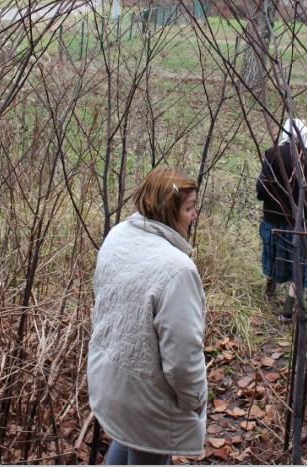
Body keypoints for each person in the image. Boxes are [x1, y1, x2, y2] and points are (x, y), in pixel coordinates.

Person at [87, 167, 206, 465]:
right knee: (145, 450)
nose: (195, 216)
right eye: (189, 209)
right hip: (148, 402)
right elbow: (182, 357)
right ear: (168, 210)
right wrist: (195, 399)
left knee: (128, 440)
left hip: (111, 382)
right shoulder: (177, 269)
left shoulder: (119, 236)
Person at [256, 118, 307, 322]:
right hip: (305, 225)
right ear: (304, 134)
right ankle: (288, 309)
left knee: (274, 256)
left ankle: (270, 287)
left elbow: (260, 191)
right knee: (300, 264)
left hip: (274, 223)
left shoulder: (272, 155)